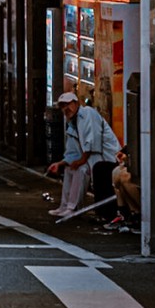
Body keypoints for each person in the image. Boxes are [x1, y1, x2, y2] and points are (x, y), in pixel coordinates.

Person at [48, 91, 121, 220]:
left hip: (106, 158)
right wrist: (61, 163)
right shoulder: (72, 123)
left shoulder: (88, 113)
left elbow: (92, 140)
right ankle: (64, 206)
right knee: (70, 168)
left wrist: (81, 160)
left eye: (68, 104)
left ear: (76, 103)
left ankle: (73, 207)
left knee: (80, 169)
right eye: (62, 106)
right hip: (92, 159)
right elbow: (72, 151)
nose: (65, 109)